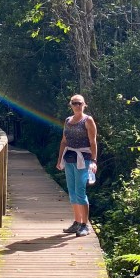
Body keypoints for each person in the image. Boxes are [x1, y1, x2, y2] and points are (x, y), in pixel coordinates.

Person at [56, 94, 97, 237]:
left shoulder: (88, 120)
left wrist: (93, 160)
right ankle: (77, 222)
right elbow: (64, 141)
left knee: (80, 192)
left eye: (79, 103)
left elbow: (93, 142)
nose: (77, 106)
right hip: (69, 159)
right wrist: (59, 159)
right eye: (74, 103)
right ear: (71, 105)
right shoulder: (68, 120)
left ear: (84, 104)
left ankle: (85, 225)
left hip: (83, 159)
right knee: (72, 192)